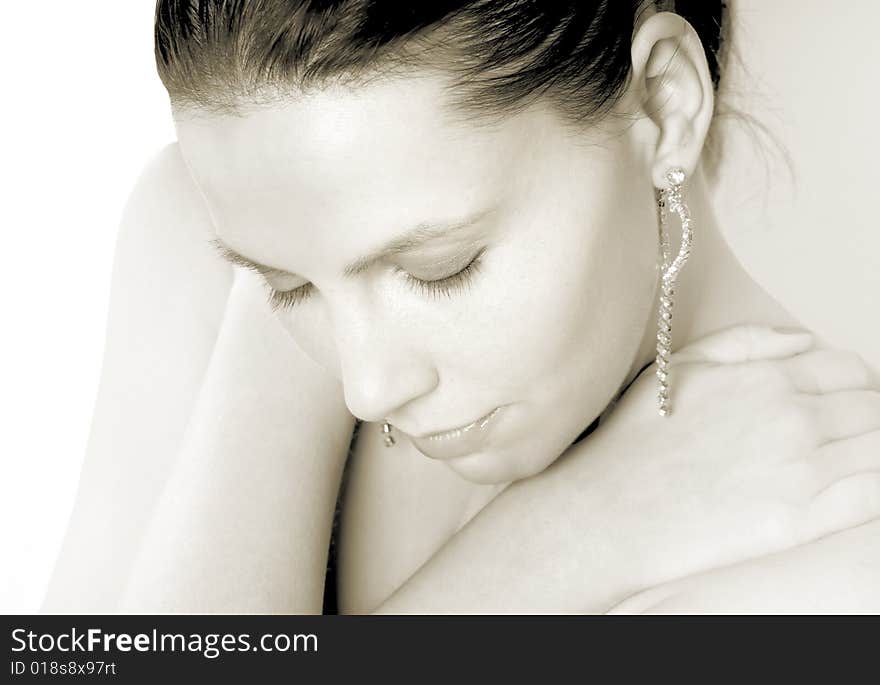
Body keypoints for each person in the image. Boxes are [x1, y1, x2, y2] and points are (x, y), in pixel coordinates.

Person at [42, 0, 880, 614]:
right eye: (289, 287)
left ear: (664, 105)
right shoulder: (202, 233)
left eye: (437, 269)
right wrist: (555, 547)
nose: (367, 388)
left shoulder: (834, 551)